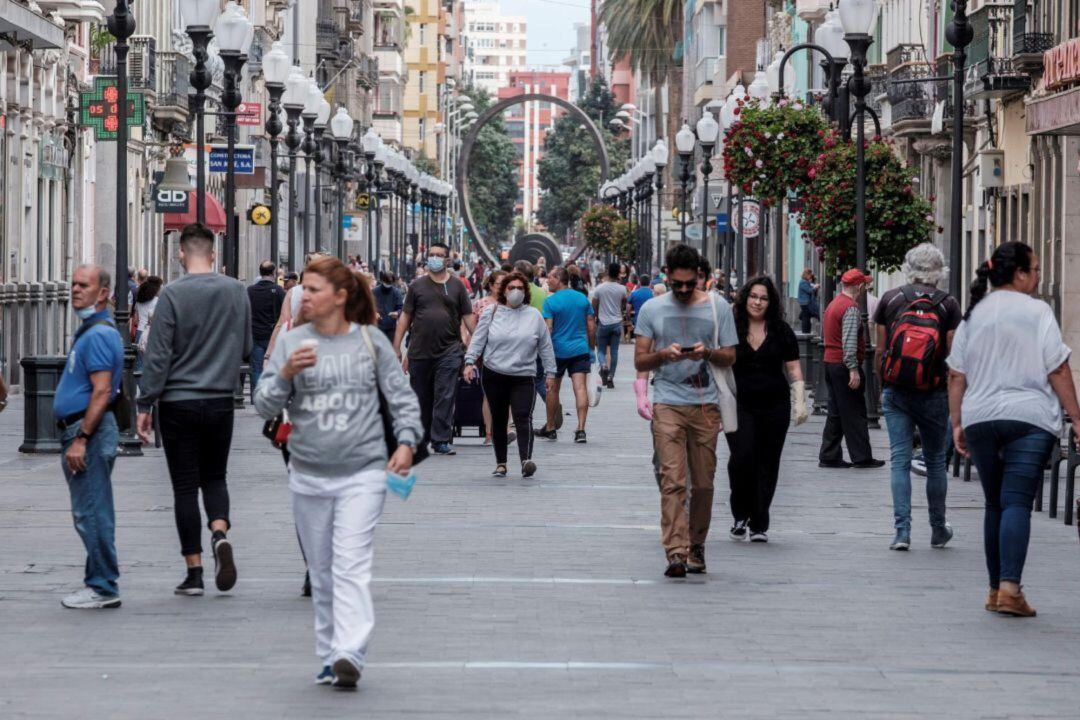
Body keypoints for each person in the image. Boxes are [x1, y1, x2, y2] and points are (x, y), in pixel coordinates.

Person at [255, 257, 421, 687]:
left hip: (362, 471)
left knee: (351, 563)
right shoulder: (293, 344)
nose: (303, 296)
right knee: (323, 569)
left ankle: (351, 649)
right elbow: (264, 405)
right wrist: (285, 374)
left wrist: (406, 441)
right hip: (308, 471)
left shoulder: (369, 342)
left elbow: (401, 397)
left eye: (312, 290)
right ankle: (330, 651)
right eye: (303, 289)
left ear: (340, 297)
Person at [948, 241, 1080, 618]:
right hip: (1030, 418)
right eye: (1035, 270)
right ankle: (1009, 589)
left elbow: (956, 375)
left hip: (981, 418)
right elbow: (1057, 368)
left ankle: (994, 590)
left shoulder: (974, 315)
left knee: (995, 502)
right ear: (1019, 274)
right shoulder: (1037, 312)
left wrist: (957, 422)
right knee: (1017, 502)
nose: (1039, 277)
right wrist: (1078, 418)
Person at [136, 223, 251, 596]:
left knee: (185, 487)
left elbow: (158, 354)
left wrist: (144, 402)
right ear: (214, 254)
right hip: (220, 401)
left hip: (178, 403)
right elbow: (247, 344)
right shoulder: (237, 291)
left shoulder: (171, 295)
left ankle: (195, 572)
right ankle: (219, 532)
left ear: (181, 254)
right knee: (215, 477)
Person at [634, 244, 738, 577]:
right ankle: (676, 552)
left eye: (688, 283)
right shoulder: (651, 309)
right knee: (673, 481)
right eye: (676, 283)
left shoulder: (717, 307)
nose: (682, 290)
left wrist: (706, 353)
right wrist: (664, 355)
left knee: (704, 484)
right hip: (667, 402)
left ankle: (697, 546)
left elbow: (730, 356)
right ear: (667, 275)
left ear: (699, 278)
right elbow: (640, 359)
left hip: (706, 405)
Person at [873, 244, 962, 551]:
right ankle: (938, 529)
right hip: (934, 392)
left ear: (908, 268)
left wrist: (884, 382)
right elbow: (953, 357)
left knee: (899, 460)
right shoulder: (949, 305)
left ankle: (902, 532)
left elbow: (881, 350)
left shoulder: (891, 299)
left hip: (897, 391)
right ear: (940, 272)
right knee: (936, 462)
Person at [54, 265, 124, 609]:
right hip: (82, 429)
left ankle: (103, 585)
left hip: (88, 431)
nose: (75, 290)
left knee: (92, 511)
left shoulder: (98, 335)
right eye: (74, 284)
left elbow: (102, 391)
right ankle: (97, 580)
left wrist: (82, 437)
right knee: (91, 508)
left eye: (84, 285)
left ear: (103, 293)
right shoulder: (92, 330)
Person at [726, 276, 808, 543]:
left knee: (768, 463)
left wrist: (799, 400)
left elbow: (793, 368)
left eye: (763, 298)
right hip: (740, 404)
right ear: (744, 297)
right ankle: (740, 512)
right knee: (742, 458)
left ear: (770, 302)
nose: (757, 302)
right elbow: (720, 365)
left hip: (775, 406)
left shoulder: (781, 330)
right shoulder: (732, 327)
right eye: (753, 296)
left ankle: (759, 522)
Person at [464, 272, 556, 478]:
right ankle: (501, 463)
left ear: (526, 292)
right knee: (499, 418)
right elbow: (478, 339)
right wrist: (469, 361)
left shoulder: (534, 316)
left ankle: (526, 460)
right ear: (503, 291)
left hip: (524, 375)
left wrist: (551, 372)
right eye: (511, 288)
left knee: (524, 417)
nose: (516, 292)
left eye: (520, 288)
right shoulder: (491, 312)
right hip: (494, 373)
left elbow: (545, 346)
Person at [394, 242, 476, 455]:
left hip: (449, 350)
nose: (435, 258)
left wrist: (477, 345)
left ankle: (440, 439)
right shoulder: (416, 286)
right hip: (420, 351)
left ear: (447, 260)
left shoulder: (457, 286)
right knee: (421, 397)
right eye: (432, 254)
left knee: (445, 394)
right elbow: (406, 318)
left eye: (439, 255)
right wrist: (397, 347)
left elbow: (468, 318)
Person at [818, 268, 885, 469]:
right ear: (859, 286)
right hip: (843, 365)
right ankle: (862, 457)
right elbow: (848, 341)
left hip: (830, 362)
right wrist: (853, 369)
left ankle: (829, 455)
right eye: (864, 284)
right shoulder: (850, 308)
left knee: (836, 412)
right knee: (855, 413)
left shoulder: (833, 305)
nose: (865, 287)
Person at [536, 266, 596, 443]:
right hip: (580, 349)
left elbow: (548, 328)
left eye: (550, 278)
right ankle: (581, 429)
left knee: (553, 389)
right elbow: (591, 326)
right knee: (580, 388)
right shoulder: (582, 299)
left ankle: (550, 427)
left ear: (559, 279)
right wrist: (590, 347)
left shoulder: (550, 302)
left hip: (557, 351)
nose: (547, 281)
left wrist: (542, 350)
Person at [248, 261, 287, 400]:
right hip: (273, 336)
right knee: (274, 367)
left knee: (257, 368)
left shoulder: (250, 290)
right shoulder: (278, 291)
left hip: (255, 335)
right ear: (273, 273)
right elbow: (284, 314)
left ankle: (257, 398)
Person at [593, 263, 628, 390]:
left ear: (607, 272)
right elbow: (624, 305)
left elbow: (594, 306)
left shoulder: (599, 288)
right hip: (617, 323)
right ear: (618, 273)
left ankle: (603, 365)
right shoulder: (622, 289)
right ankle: (610, 376)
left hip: (603, 323)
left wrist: (596, 317)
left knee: (601, 350)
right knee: (614, 352)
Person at [132, 275, 163, 370]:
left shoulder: (139, 302)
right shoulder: (158, 301)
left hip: (140, 332)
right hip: (152, 333)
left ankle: (139, 384)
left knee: (139, 362)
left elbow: (136, 320)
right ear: (156, 289)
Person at [374, 270, 404, 341]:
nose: (387, 285)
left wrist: (397, 313)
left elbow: (401, 308)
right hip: (377, 327)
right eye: (386, 283)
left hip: (391, 328)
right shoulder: (374, 291)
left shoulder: (396, 293)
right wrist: (373, 313)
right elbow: (368, 306)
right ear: (382, 280)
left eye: (390, 283)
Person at [797, 269, 819, 334]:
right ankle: (806, 331)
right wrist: (815, 287)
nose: (811, 276)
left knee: (806, 315)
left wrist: (813, 284)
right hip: (805, 302)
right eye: (810, 275)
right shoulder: (803, 282)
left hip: (805, 302)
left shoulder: (805, 281)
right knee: (806, 316)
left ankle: (806, 330)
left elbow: (810, 286)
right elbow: (809, 291)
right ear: (807, 274)